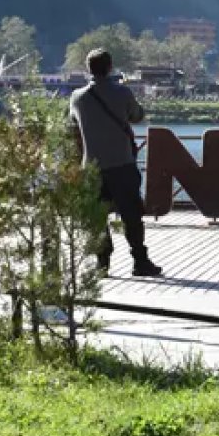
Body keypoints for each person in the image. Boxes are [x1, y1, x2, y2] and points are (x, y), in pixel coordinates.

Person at [69, 49, 162, 277]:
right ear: (110, 67)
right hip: (122, 163)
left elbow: (72, 123)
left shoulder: (77, 97)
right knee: (131, 215)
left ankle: (102, 263)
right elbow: (137, 116)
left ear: (88, 68)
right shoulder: (122, 92)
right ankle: (140, 261)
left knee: (97, 216)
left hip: (92, 166)